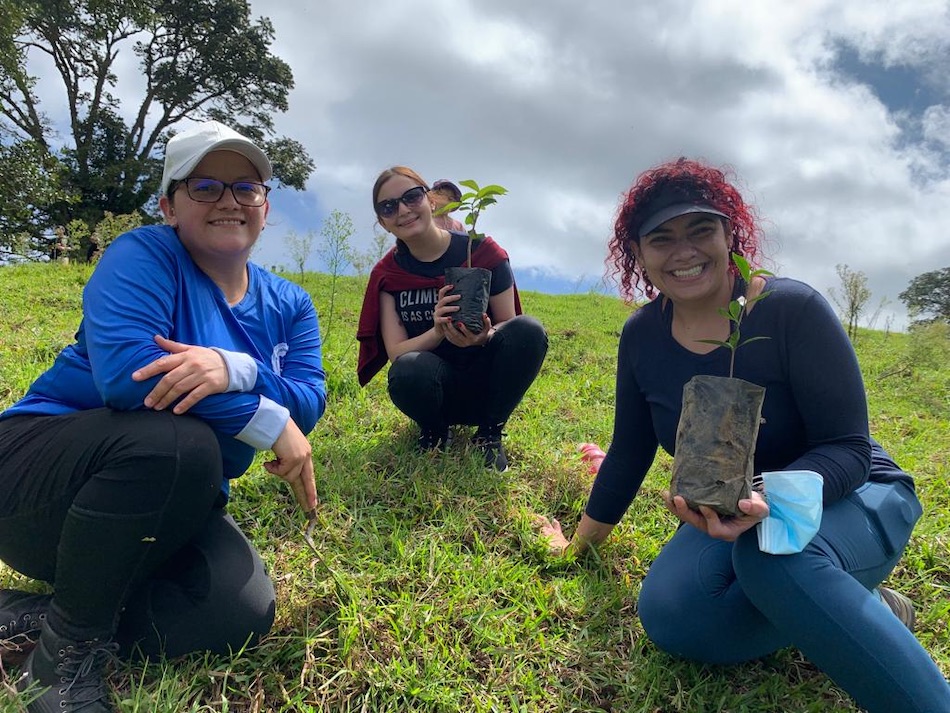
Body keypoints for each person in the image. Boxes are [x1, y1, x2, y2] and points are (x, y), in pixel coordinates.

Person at [537, 158, 950, 713]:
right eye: (661, 238)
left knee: (770, 555)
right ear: (637, 254)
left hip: (858, 495)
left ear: (730, 235)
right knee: (674, 619)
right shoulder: (641, 337)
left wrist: (770, 499)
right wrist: (577, 544)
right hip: (737, 513)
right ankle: (862, 609)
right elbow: (630, 449)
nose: (683, 251)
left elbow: (849, 448)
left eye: (700, 230)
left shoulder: (789, 310)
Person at [0, 120, 326, 712]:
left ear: (265, 206)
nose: (228, 200)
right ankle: (64, 660)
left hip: (168, 505)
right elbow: (131, 375)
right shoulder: (144, 254)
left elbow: (311, 399)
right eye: (205, 186)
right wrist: (267, 420)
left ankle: (41, 613)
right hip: (37, 478)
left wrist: (238, 370)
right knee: (177, 439)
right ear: (169, 205)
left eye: (245, 187)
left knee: (235, 610)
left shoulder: (290, 303)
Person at [357, 166, 547, 472]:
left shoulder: (483, 252)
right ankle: (434, 432)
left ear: (432, 200)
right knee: (407, 368)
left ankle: (489, 434)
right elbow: (395, 352)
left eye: (412, 197)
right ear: (383, 222)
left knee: (529, 330)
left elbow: (509, 325)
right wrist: (438, 331)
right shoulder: (388, 275)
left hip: (489, 385)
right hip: (433, 388)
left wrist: (483, 336)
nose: (403, 210)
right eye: (389, 207)